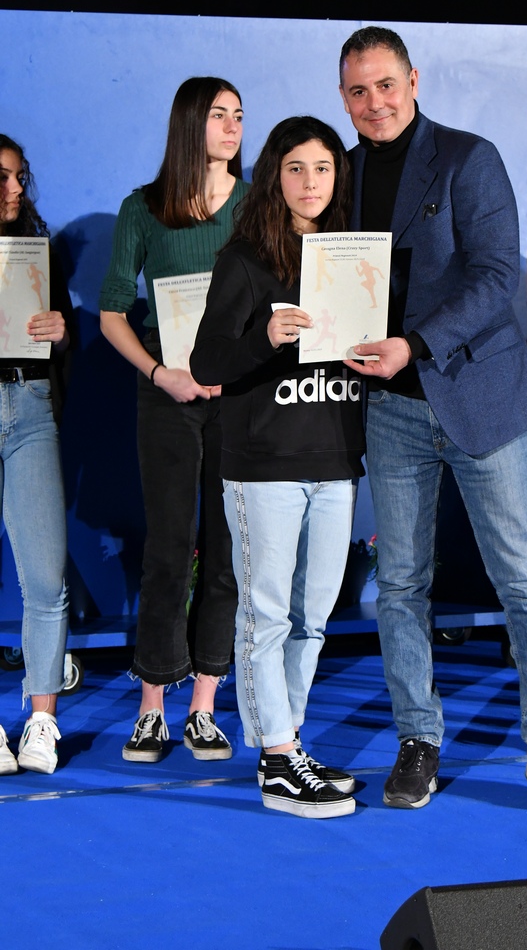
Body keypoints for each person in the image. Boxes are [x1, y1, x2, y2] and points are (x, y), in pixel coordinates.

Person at [338, 26, 527, 811]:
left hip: (481, 397)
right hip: (392, 410)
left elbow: (498, 274)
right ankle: (418, 738)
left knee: (523, 578)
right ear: (343, 98)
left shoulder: (469, 158)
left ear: (413, 81)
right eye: (358, 91)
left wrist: (414, 344)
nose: (374, 102)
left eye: (385, 85)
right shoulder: (339, 173)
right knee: (400, 584)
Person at [191, 117, 364, 818]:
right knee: (266, 615)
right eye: (296, 168)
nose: (310, 182)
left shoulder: (354, 255)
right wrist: (263, 335)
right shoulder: (245, 260)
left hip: (334, 456)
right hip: (263, 462)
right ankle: (276, 758)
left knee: (313, 618)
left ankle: (287, 744)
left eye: (322, 168)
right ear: (274, 176)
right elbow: (206, 362)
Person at [99, 77, 247, 762]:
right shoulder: (143, 207)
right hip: (167, 391)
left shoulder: (255, 204)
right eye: (219, 115)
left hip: (239, 396)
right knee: (168, 548)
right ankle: (153, 703)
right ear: (190, 123)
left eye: (239, 115)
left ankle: (205, 706)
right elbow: (111, 313)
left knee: (227, 551)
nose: (233, 126)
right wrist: (163, 374)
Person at [0, 134, 72, 775]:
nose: (15, 189)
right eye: (2, 177)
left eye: (20, 177)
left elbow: (60, 339)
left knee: (46, 579)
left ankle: (42, 719)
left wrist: (60, 331)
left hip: (30, 406)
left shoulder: (37, 250)